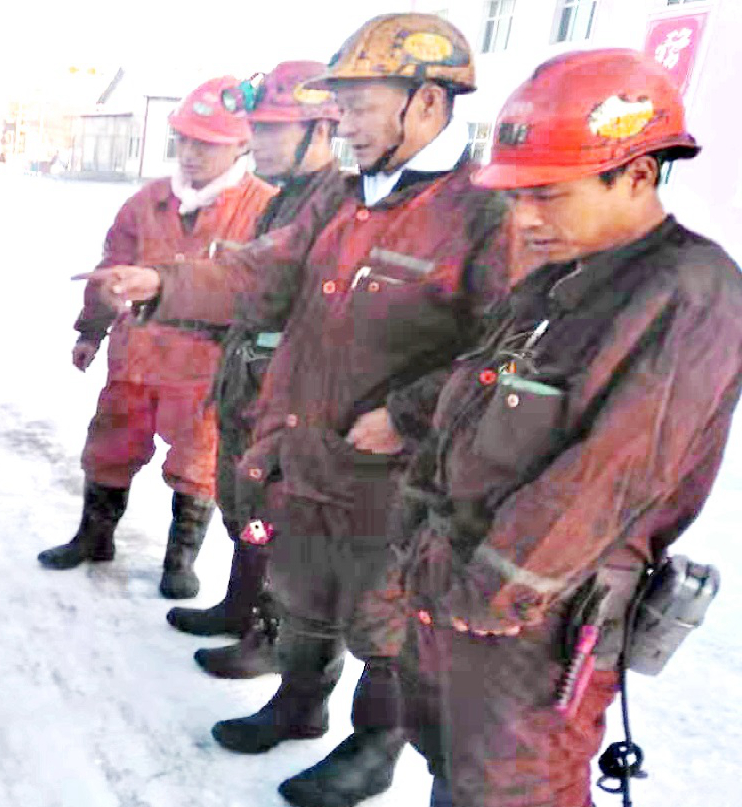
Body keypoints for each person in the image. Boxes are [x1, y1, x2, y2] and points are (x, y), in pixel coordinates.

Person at [78, 14, 517, 807]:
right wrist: (165, 283)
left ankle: (374, 745)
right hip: (308, 445)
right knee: (303, 588)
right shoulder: (345, 198)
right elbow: (261, 273)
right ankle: (299, 702)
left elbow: (507, 351)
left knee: (383, 617)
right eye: (339, 106)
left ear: (426, 101)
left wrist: (410, 414)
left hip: (397, 473)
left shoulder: (488, 214)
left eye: (360, 105)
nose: (343, 122)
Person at [392, 48, 742, 807]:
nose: (524, 218)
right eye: (517, 196)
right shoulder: (560, 278)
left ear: (638, 174)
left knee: (515, 788)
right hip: (464, 588)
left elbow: (610, 473)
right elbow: (473, 400)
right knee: (454, 763)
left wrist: (492, 589)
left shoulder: (689, 292)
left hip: (535, 623)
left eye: (547, 194)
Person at [38, 76, 276, 600]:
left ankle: (179, 561)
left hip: (208, 371)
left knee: (198, 464)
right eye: (184, 140)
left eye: (206, 144)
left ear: (242, 144)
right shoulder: (146, 203)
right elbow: (111, 268)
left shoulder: (264, 209)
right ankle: (93, 537)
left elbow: (269, 292)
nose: (190, 154)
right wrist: (91, 330)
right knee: (109, 446)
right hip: (136, 358)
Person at [165, 61, 352, 684]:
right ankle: (240, 605)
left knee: (277, 514)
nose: (258, 140)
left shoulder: (336, 203)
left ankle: (271, 635)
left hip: (290, 390)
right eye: (259, 127)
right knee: (243, 502)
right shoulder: (286, 199)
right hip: (252, 379)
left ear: (321, 130)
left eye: (274, 129)